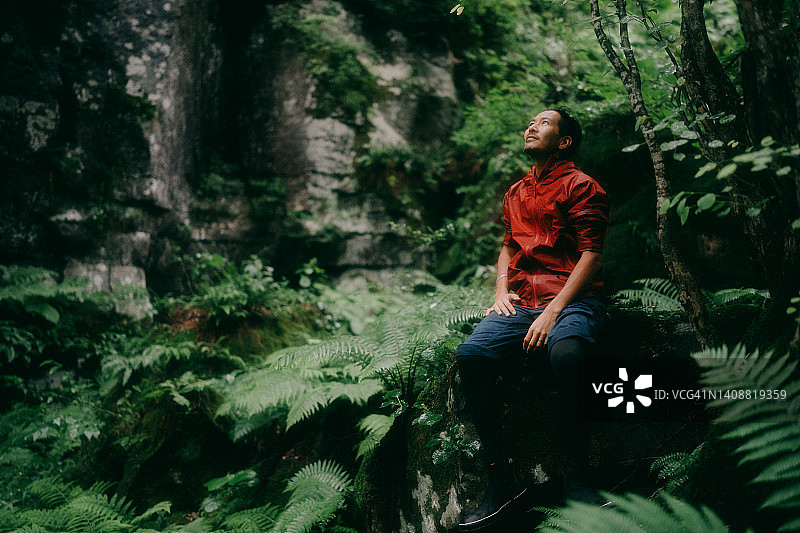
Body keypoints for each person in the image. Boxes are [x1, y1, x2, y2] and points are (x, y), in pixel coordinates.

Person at [457, 107, 610, 530]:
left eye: (543, 123)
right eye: (530, 121)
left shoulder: (582, 186)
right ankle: (500, 479)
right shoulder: (516, 192)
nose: (531, 126)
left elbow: (592, 255)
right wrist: (500, 289)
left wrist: (553, 313)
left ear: (564, 142)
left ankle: (576, 477)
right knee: (471, 356)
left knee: (568, 357)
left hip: (571, 299)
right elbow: (508, 246)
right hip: (521, 301)